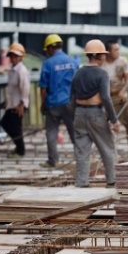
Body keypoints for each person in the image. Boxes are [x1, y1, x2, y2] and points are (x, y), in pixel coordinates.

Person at [70, 39, 120, 188]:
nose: (105, 57)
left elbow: (71, 98)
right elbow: (106, 98)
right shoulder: (102, 73)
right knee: (107, 147)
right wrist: (114, 120)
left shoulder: (78, 73)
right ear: (98, 56)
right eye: (103, 55)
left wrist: (75, 116)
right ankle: (111, 180)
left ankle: (82, 182)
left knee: (81, 152)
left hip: (79, 113)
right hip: (95, 113)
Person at [39, 34, 79, 168]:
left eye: (47, 49)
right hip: (70, 103)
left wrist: (43, 103)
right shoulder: (73, 62)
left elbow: (43, 87)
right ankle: (81, 159)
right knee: (74, 132)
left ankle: (53, 161)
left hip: (53, 104)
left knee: (51, 133)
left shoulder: (48, 63)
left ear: (51, 48)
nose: (47, 52)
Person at [102, 40, 128, 160]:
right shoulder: (101, 64)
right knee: (104, 127)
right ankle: (108, 152)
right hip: (108, 100)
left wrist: (123, 91)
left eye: (118, 49)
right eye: (115, 50)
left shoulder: (123, 62)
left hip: (122, 98)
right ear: (108, 52)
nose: (118, 52)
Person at [0, 43, 30, 158]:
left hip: (18, 105)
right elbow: (12, 89)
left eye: (15, 56)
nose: (13, 58)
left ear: (20, 57)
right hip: (12, 104)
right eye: (12, 56)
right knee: (5, 123)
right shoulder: (12, 70)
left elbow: (25, 88)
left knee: (16, 128)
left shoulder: (21, 71)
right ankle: (18, 147)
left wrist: (22, 104)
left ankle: (20, 151)